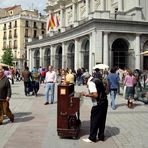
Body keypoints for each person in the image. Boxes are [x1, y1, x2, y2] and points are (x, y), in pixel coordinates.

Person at [81, 73, 109, 143]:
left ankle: (92, 137)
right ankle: (101, 136)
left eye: (84, 79)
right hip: (104, 101)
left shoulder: (91, 83)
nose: (84, 81)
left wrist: (86, 94)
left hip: (98, 103)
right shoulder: (97, 79)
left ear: (85, 78)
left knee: (94, 120)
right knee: (102, 120)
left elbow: (95, 95)